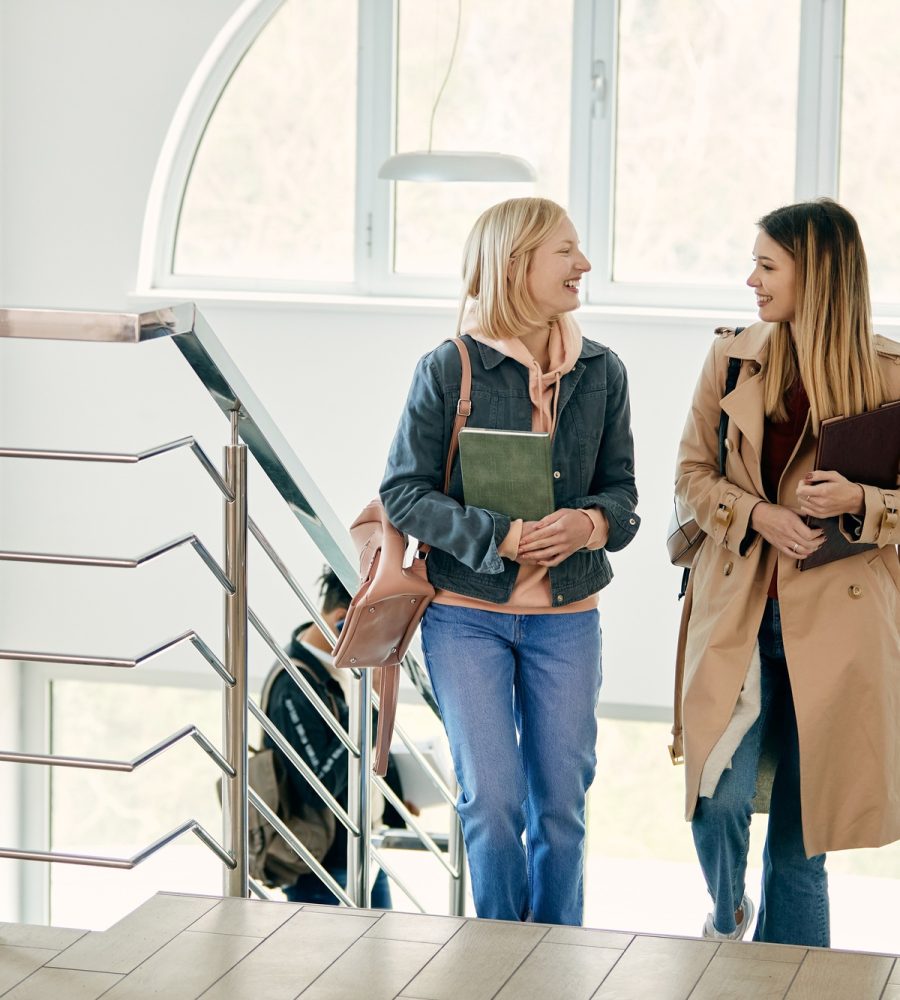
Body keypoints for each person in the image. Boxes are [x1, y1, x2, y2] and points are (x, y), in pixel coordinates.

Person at [380, 197, 640, 925]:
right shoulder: (447, 369)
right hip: (466, 618)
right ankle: (498, 958)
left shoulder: (602, 371)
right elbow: (402, 494)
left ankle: (556, 958)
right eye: (568, 250)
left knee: (562, 806)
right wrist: (499, 536)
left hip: (567, 621)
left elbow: (623, 495)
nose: (583, 264)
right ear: (518, 262)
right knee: (491, 801)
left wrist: (590, 523)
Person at [674, 198, 900, 947]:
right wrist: (757, 514)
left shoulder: (888, 376)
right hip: (741, 606)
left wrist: (862, 499)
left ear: (819, 275)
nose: (751, 280)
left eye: (768, 266)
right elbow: (691, 476)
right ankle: (726, 915)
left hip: (842, 627)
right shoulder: (732, 358)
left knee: (802, 852)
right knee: (717, 794)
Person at [264, 567, 411, 908]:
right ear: (343, 621)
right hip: (323, 864)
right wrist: (369, 707)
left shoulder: (339, 668)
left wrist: (393, 801)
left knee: (378, 959)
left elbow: (358, 751)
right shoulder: (295, 686)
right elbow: (320, 786)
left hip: (363, 847)